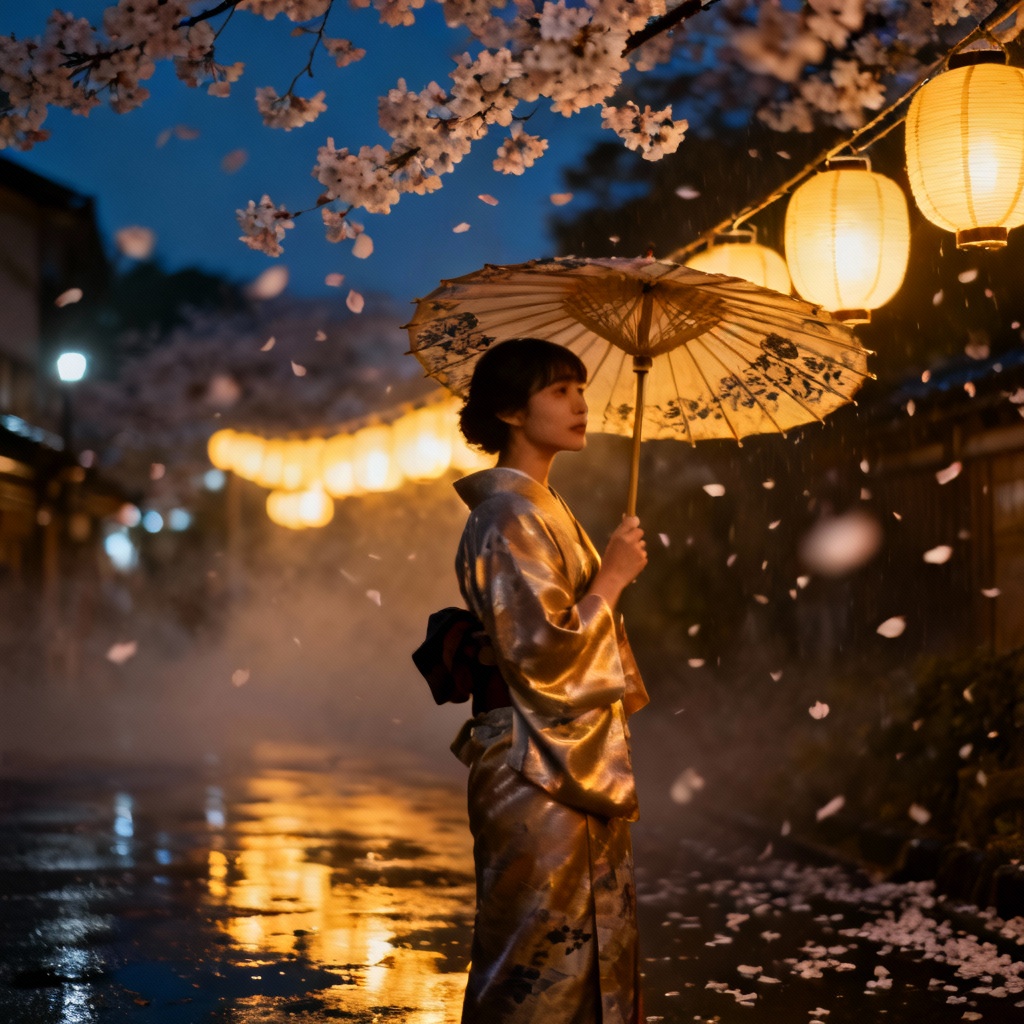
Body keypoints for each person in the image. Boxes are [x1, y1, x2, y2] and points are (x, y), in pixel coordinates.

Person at [450, 337, 650, 1024]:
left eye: (581, 389)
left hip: (562, 752)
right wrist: (615, 577)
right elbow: (542, 653)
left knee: (581, 942)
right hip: (532, 762)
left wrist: (607, 574)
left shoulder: (541, 509)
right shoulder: (507, 516)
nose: (580, 404)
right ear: (510, 409)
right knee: (536, 953)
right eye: (560, 390)